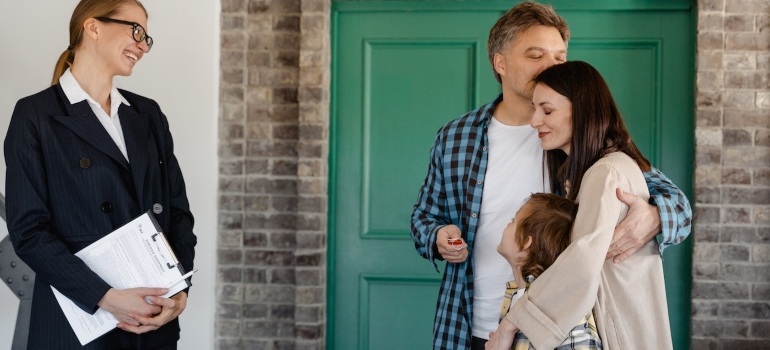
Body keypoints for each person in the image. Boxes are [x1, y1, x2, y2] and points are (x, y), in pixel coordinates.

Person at [409, 2, 691, 349]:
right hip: (468, 324)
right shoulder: (456, 137)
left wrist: (653, 216)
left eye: (559, 57)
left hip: (557, 333)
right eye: (536, 55)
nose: (552, 67)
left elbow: (677, 204)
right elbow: (424, 216)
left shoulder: (577, 135)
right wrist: (438, 236)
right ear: (501, 63)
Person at [5, 0, 197, 348]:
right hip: (78, 324)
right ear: (92, 27)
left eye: (147, 37)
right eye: (135, 30)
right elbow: (29, 232)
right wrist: (104, 297)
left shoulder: (148, 114)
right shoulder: (35, 115)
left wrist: (179, 290)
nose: (143, 44)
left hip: (153, 322)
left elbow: (177, 212)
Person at [486, 60, 674, 349]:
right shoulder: (595, 169)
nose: (535, 121)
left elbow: (581, 263)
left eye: (547, 110)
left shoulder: (606, 172)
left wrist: (513, 322)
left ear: (583, 111)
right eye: (535, 109)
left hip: (621, 331)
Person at [497, 193, 601, 350]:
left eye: (513, 221)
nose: (507, 224)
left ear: (525, 242)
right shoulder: (515, 296)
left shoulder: (564, 309)